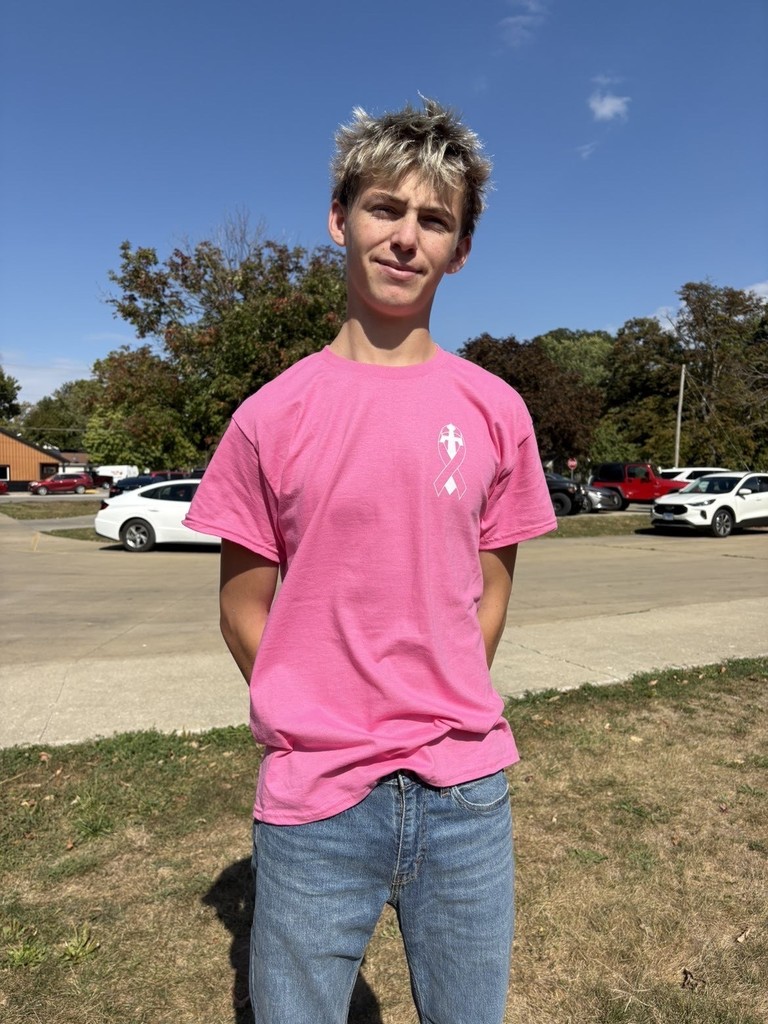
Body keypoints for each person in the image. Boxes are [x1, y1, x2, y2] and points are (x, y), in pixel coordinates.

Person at [185, 97, 557, 1024]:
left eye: (434, 220)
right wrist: (310, 709)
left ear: (459, 250)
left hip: (465, 794)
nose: (405, 237)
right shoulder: (270, 415)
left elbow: (494, 586)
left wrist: (438, 696)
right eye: (385, 208)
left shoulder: (496, 410)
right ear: (340, 219)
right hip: (315, 800)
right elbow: (242, 606)